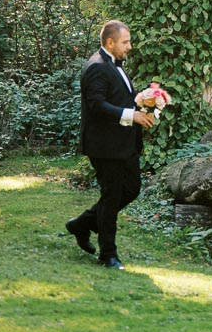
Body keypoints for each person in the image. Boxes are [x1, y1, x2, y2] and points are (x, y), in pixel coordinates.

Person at [65, 20, 155, 270]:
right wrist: (132, 115)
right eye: (125, 42)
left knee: (132, 189)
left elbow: (117, 97)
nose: (130, 46)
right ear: (110, 43)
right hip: (104, 145)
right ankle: (108, 254)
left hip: (123, 143)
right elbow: (97, 105)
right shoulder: (96, 67)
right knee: (112, 195)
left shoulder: (114, 64)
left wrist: (139, 100)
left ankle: (82, 224)